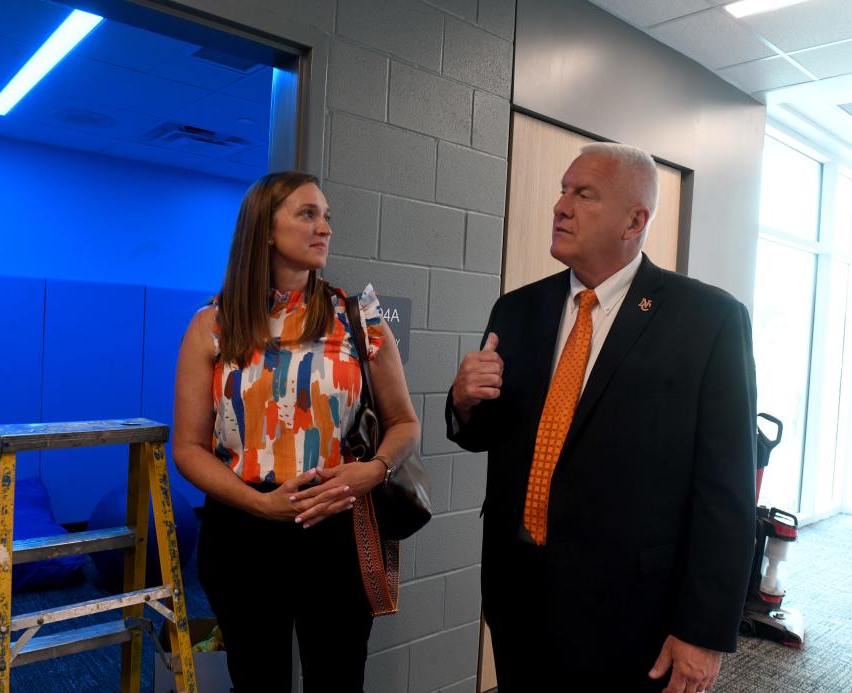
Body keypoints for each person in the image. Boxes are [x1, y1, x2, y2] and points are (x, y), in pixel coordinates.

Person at [446, 143, 756, 692]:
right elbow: (491, 436)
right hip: (519, 589)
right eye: (563, 190)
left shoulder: (707, 321)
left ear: (635, 220)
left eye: (583, 194)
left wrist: (703, 631)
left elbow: (726, 491)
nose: (561, 206)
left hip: (632, 612)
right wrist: (465, 402)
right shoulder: (517, 310)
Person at [173, 171, 419, 693]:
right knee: (256, 679)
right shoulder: (211, 325)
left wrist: (371, 471)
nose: (323, 227)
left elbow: (404, 424)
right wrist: (258, 504)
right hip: (242, 526)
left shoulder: (359, 318)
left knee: (338, 679)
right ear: (265, 228)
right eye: (307, 214)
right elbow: (188, 449)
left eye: (326, 215)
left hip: (336, 528)